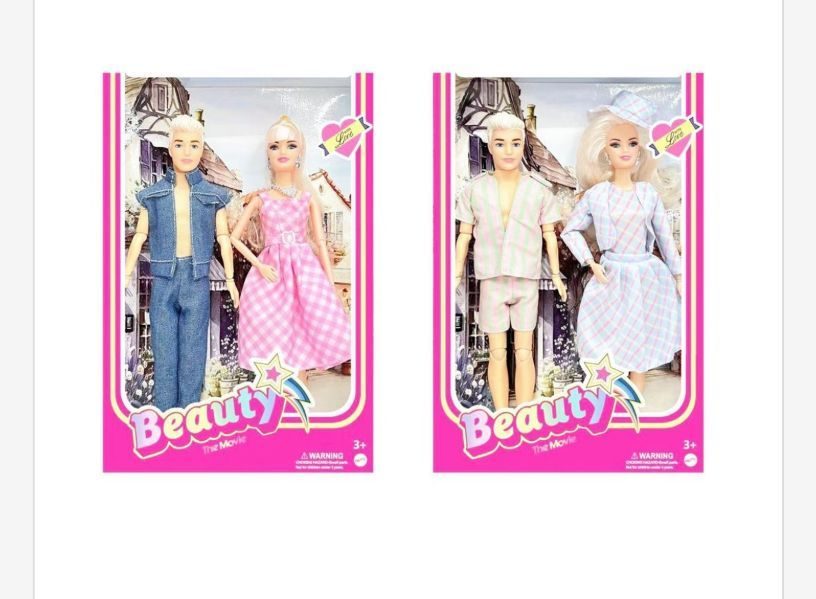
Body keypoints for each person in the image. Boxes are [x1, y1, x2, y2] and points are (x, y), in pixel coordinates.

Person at [561, 91, 682, 393]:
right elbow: (570, 230)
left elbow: (664, 237)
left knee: (640, 345)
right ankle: (614, 401)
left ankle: (635, 403)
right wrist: (589, 262)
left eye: (632, 143)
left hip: (645, 276)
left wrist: (679, 274)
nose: (624, 150)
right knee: (608, 341)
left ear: (641, 150)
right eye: (615, 144)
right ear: (604, 150)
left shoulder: (647, 193)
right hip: (611, 275)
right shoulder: (597, 195)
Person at [125, 114, 239, 410]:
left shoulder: (213, 195)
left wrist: (229, 279)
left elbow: (224, 238)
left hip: (197, 280)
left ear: (202, 148)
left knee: (193, 355)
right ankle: (166, 418)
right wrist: (124, 275)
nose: (187, 151)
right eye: (179, 144)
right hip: (163, 281)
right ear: (170, 147)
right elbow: (140, 235)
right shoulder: (153, 196)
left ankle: (188, 417)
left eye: (194, 145)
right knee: (164, 355)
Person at [454, 112, 565, 410]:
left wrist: (555, 274)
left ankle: (524, 414)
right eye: (500, 143)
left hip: (526, 278)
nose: (508, 150)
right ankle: (503, 414)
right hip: (491, 279)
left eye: (516, 143)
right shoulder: (475, 189)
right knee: (497, 353)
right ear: (490, 145)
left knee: (525, 352)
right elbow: (464, 235)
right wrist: (455, 275)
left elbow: (549, 235)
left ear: (523, 144)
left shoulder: (538, 189)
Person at [230, 116, 351, 385]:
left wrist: (330, 285)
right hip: (271, 274)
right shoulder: (261, 200)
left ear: (300, 153)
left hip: (305, 272)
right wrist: (259, 265)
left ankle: (300, 392)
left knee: (307, 330)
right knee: (273, 335)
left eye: (290, 145)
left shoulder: (307, 199)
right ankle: (280, 392)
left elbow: (320, 243)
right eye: (275, 146)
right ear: (267, 155)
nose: (282, 151)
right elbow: (234, 238)